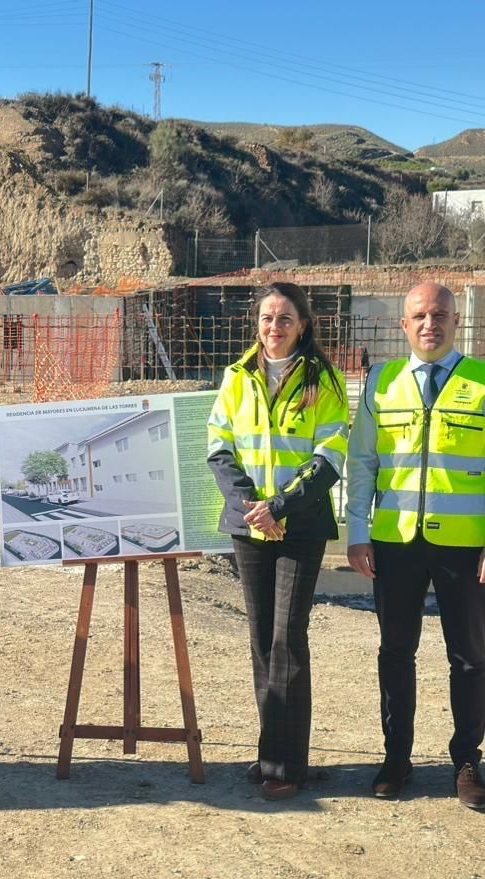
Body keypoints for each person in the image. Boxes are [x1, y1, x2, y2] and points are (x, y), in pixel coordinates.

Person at [345, 281, 485, 811]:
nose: (430, 323)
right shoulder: (381, 382)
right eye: (419, 315)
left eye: (440, 314)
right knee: (395, 653)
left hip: (466, 548)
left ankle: (467, 762)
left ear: (456, 321)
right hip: (394, 542)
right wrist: (358, 532)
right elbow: (362, 464)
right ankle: (396, 758)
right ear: (404, 325)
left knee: (468, 657)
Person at [207, 282, 350, 801]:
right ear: (257, 324)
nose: (274, 328)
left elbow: (330, 456)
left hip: (300, 525)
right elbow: (219, 447)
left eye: (285, 319)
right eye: (267, 318)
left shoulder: (323, 381)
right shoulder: (237, 378)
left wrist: (280, 507)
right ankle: (271, 753)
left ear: (303, 325)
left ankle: (289, 765)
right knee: (261, 637)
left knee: (288, 638)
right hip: (249, 524)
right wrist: (252, 507)